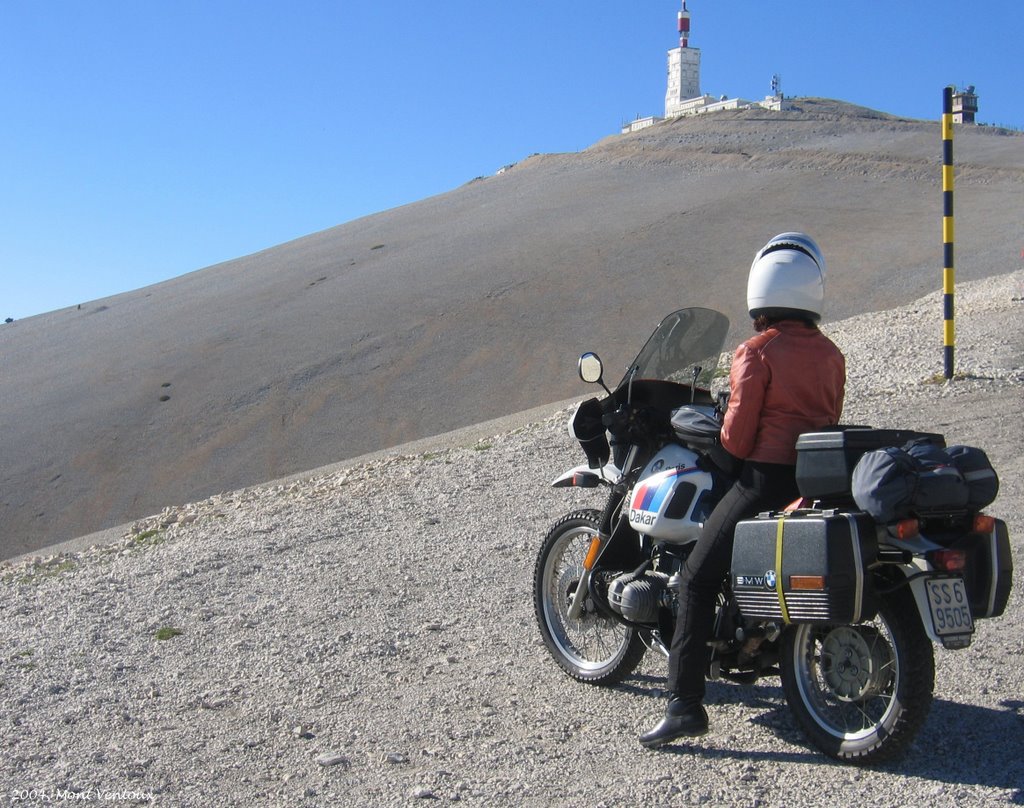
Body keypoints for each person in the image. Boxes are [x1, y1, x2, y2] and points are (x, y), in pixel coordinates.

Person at [639, 232, 847, 749]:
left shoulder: (756, 351)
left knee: (694, 579)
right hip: (815, 483)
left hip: (763, 484)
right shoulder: (831, 354)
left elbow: (735, 437)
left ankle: (684, 705)